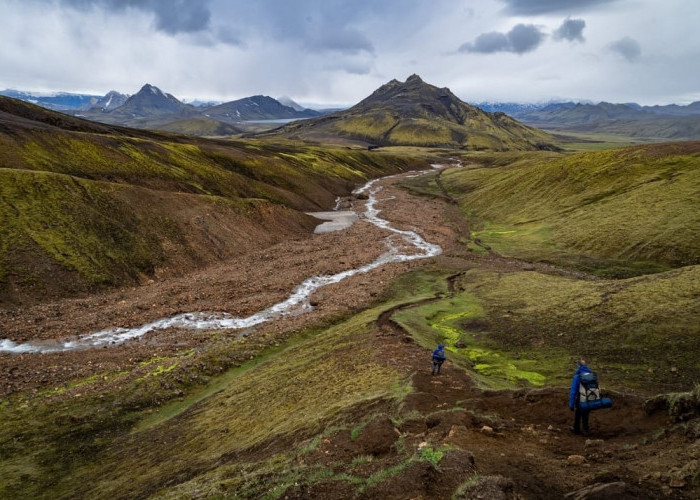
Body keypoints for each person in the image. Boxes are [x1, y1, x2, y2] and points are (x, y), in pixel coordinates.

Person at [569, 359, 592, 436]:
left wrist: (571, 405)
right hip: (589, 398)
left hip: (580, 398)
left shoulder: (577, 376)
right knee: (585, 414)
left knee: (578, 413)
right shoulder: (591, 375)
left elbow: (573, 391)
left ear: (578, 366)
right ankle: (585, 430)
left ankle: (576, 429)